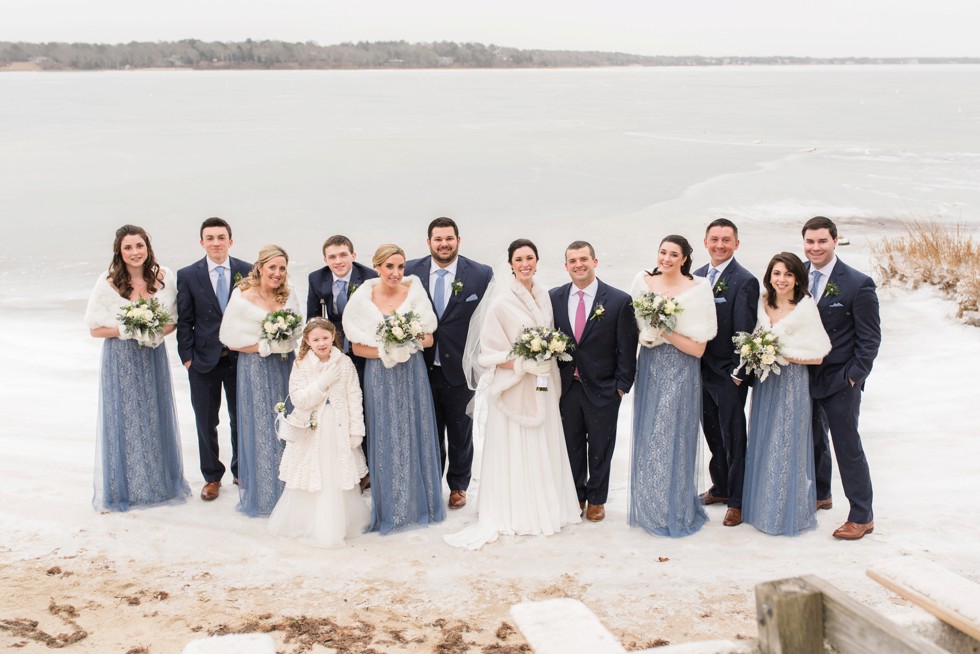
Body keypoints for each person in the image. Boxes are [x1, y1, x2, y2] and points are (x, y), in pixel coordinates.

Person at [445, 239, 581, 550]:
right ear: (510, 263)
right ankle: (516, 509)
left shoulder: (544, 295)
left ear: (537, 261)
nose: (525, 263)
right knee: (517, 445)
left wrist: (546, 355)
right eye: (519, 258)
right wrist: (524, 361)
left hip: (543, 382)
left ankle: (547, 504)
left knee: (543, 441)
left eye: (530, 258)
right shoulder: (500, 302)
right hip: (513, 385)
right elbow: (488, 353)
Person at [84, 224, 190, 511]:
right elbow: (95, 329)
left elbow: (172, 321)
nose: (134, 252)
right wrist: (129, 329)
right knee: (125, 420)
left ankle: (157, 485)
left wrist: (151, 331)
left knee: (154, 416)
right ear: (120, 251)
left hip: (152, 356)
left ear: (148, 247)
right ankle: (126, 488)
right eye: (128, 247)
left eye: (139, 246)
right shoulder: (107, 283)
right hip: (120, 359)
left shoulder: (164, 277)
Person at [342, 244, 445, 534]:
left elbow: (427, 339)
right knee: (385, 436)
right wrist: (389, 350)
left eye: (400, 267)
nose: (396, 273)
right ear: (377, 267)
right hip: (379, 375)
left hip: (412, 374)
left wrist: (404, 343)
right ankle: (389, 507)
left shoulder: (414, 293)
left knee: (415, 433)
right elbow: (358, 347)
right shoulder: (363, 298)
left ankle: (420, 504)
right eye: (389, 266)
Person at [629, 235, 717, 537]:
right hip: (651, 368)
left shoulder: (698, 289)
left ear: (684, 258)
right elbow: (634, 327)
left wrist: (665, 329)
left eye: (673, 254)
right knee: (651, 435)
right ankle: (651, 504)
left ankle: (675, 507)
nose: (666, 259)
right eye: (662, 252)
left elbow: (699, 349)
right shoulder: (643, 283)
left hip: (681, 371)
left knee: (674, 436)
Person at [406, 217, 493, 510]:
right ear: (428, 242)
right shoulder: (409, 271)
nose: (444, 244)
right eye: (438, 239)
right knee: (428, 430)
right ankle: (432, 483)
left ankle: (458, 486)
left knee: (460, 431)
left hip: (461, 367)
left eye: (449, 239)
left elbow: (489, 320)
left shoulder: (480, 274)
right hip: (421, 366)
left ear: (458, 239)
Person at [803, 216, 881, 540]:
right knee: (814, 440)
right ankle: (822, 494)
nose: (816, 247)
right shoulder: (797, 277)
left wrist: (853, 377)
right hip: (806, 374)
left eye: (822, 241)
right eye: (810, 241)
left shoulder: (857, 283)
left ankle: (862, 516)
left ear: (836, 241)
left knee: (846, 444)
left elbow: (870, 339)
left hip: (841, 378)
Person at [742, 253, 831, 536]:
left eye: (788, 274)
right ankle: (763, 508)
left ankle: (784, 512)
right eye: (777, 273)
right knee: (764, 440)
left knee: (787, 444)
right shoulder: (762, 302)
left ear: (797, 279)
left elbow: (818, 355)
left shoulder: (805, 308)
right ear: (769, 275)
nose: (781, 279)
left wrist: (781, 354)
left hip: (792, 384)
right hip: (766, 384)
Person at [549, 240, 638, 522]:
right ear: (566, 266)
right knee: (571, 444)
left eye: (584, 259)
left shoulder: (618, 300)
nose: (579, 265)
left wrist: (621, 386)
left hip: (604, 388)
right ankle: (576, 495)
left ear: (595, 262)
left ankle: (597, 499)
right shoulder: (554, 298)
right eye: (573, 260)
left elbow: (627, 347)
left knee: (601, 446)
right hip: (567, 386)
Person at [268, 318, 370, 547]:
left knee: (336, 472)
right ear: (307, 341)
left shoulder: (344, 363)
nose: (321, 343)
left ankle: (339, 523)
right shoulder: (301, 363)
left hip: (338, 426)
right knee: (316, 473)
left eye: (325, 338)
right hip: (313, 429)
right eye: (316, 339)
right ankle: (310, 521)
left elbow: (355, 397)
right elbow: (298, 399)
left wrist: (357, 430)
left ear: (333, 337)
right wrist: (321, 383)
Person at [219, 245, 302, 517]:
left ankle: (292, 490)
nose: (277, 273)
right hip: (254, 367)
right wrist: (265, 345)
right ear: (260, 267)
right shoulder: (242, 296)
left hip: (284, 367)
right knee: (262, 428)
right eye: (272, 267)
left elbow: (297, 331)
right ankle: (266, 493)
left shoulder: (288, 296)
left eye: (282, 268)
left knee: (288, 425)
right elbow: (230, 338)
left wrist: (283, 343)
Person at [176, 217, 252, 502]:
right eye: (210, 238)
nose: (216, 242)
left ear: (230, 241)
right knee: (206, 421)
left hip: (238, 359)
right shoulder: (188, 275)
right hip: (202, 361)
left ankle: (240, 470)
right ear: (202, 242)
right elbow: (184, 319)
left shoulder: (247, 271)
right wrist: (187, 358)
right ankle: (211, 477)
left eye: (221, 237)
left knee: (239, 418)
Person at [693, 219, 760, 527]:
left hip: (727, 374)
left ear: (736, 244)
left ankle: (738, 500)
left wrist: (737, 374)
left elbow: (745, 332)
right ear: (706, 242)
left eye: (726, 240)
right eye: (714, 239)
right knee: (713, 434)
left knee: (734, 438)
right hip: (700, 370)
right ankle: (720, 487)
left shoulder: (744, 280)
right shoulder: (697, 277)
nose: (720, 244)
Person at [306, 234, 378, 382]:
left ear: (353, 255)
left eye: (343, 255)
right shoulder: (316, 278)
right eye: (332, 257)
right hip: (334, 339)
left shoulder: (370, 277)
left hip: (362, 338)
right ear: (325, 260)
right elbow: (313, 318)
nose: (338, 261)